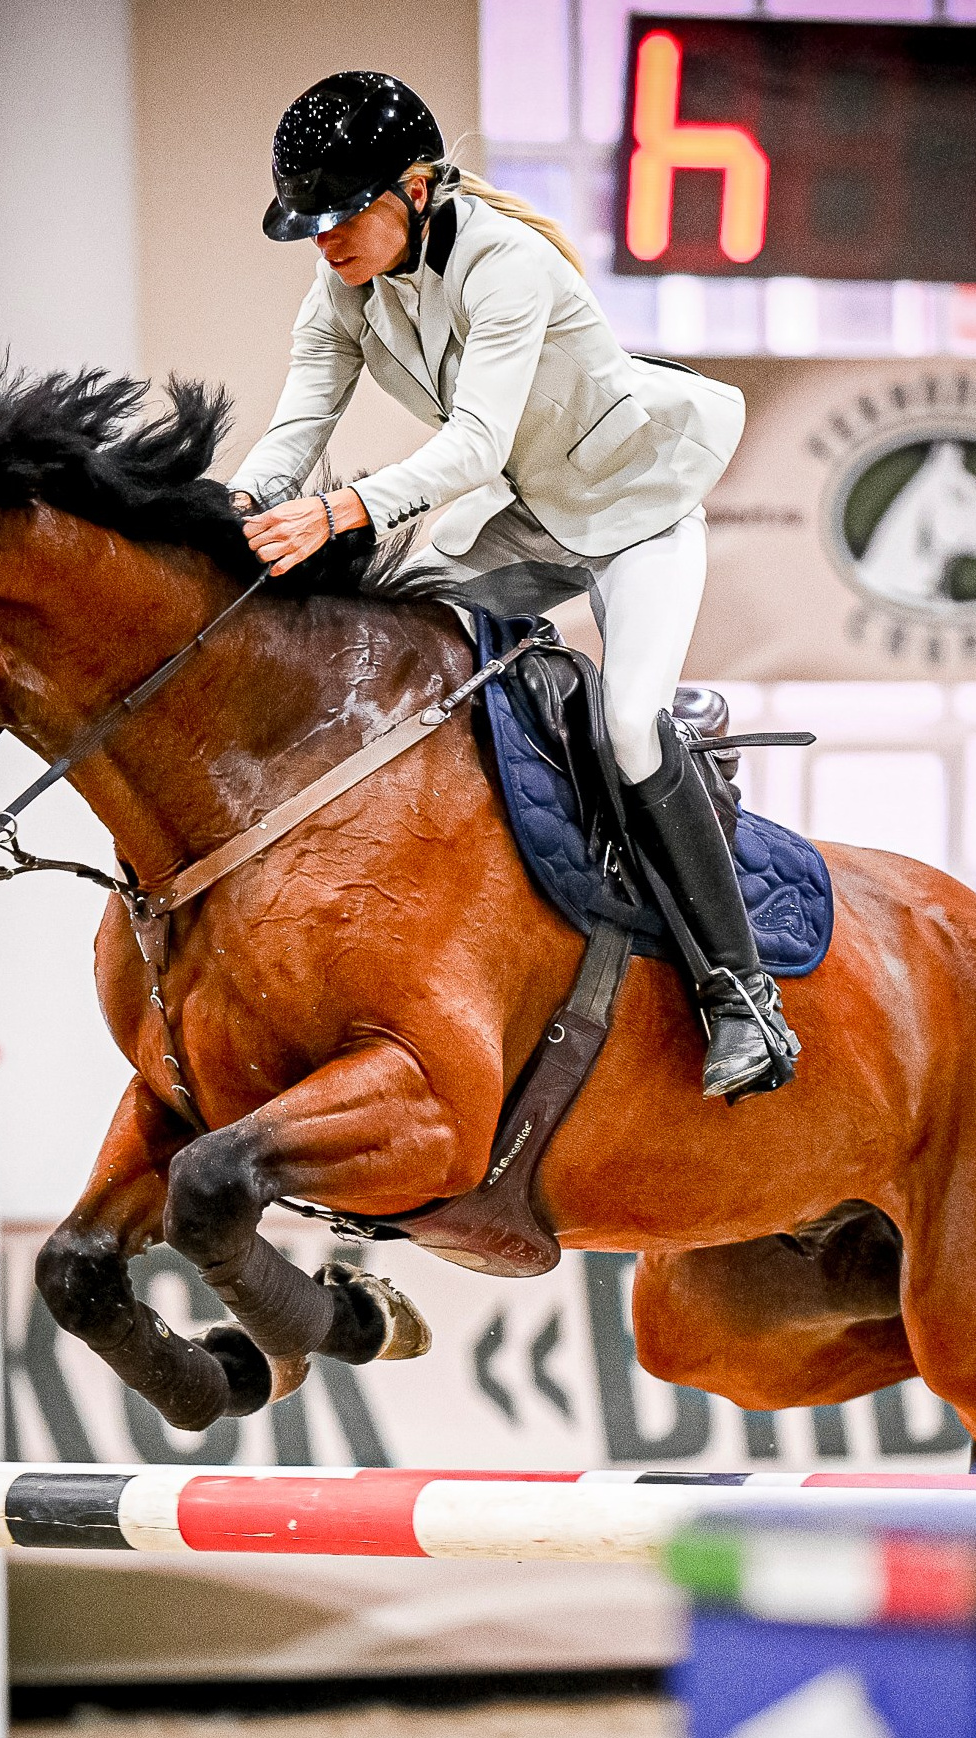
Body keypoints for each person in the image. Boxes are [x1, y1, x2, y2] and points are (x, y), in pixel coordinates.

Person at [230, 71, 799, 1101]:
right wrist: (236, 509)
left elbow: (474, 444)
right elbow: (298, 423)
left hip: (637, 510)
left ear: (414, 188)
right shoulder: (344, 289)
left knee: (630, 720)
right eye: (310, 224)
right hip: (532, 516)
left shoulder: (507, 264)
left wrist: (337, 512)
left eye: (342, 216)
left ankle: (741, 994)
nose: (324, 242)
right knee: (394, 627)